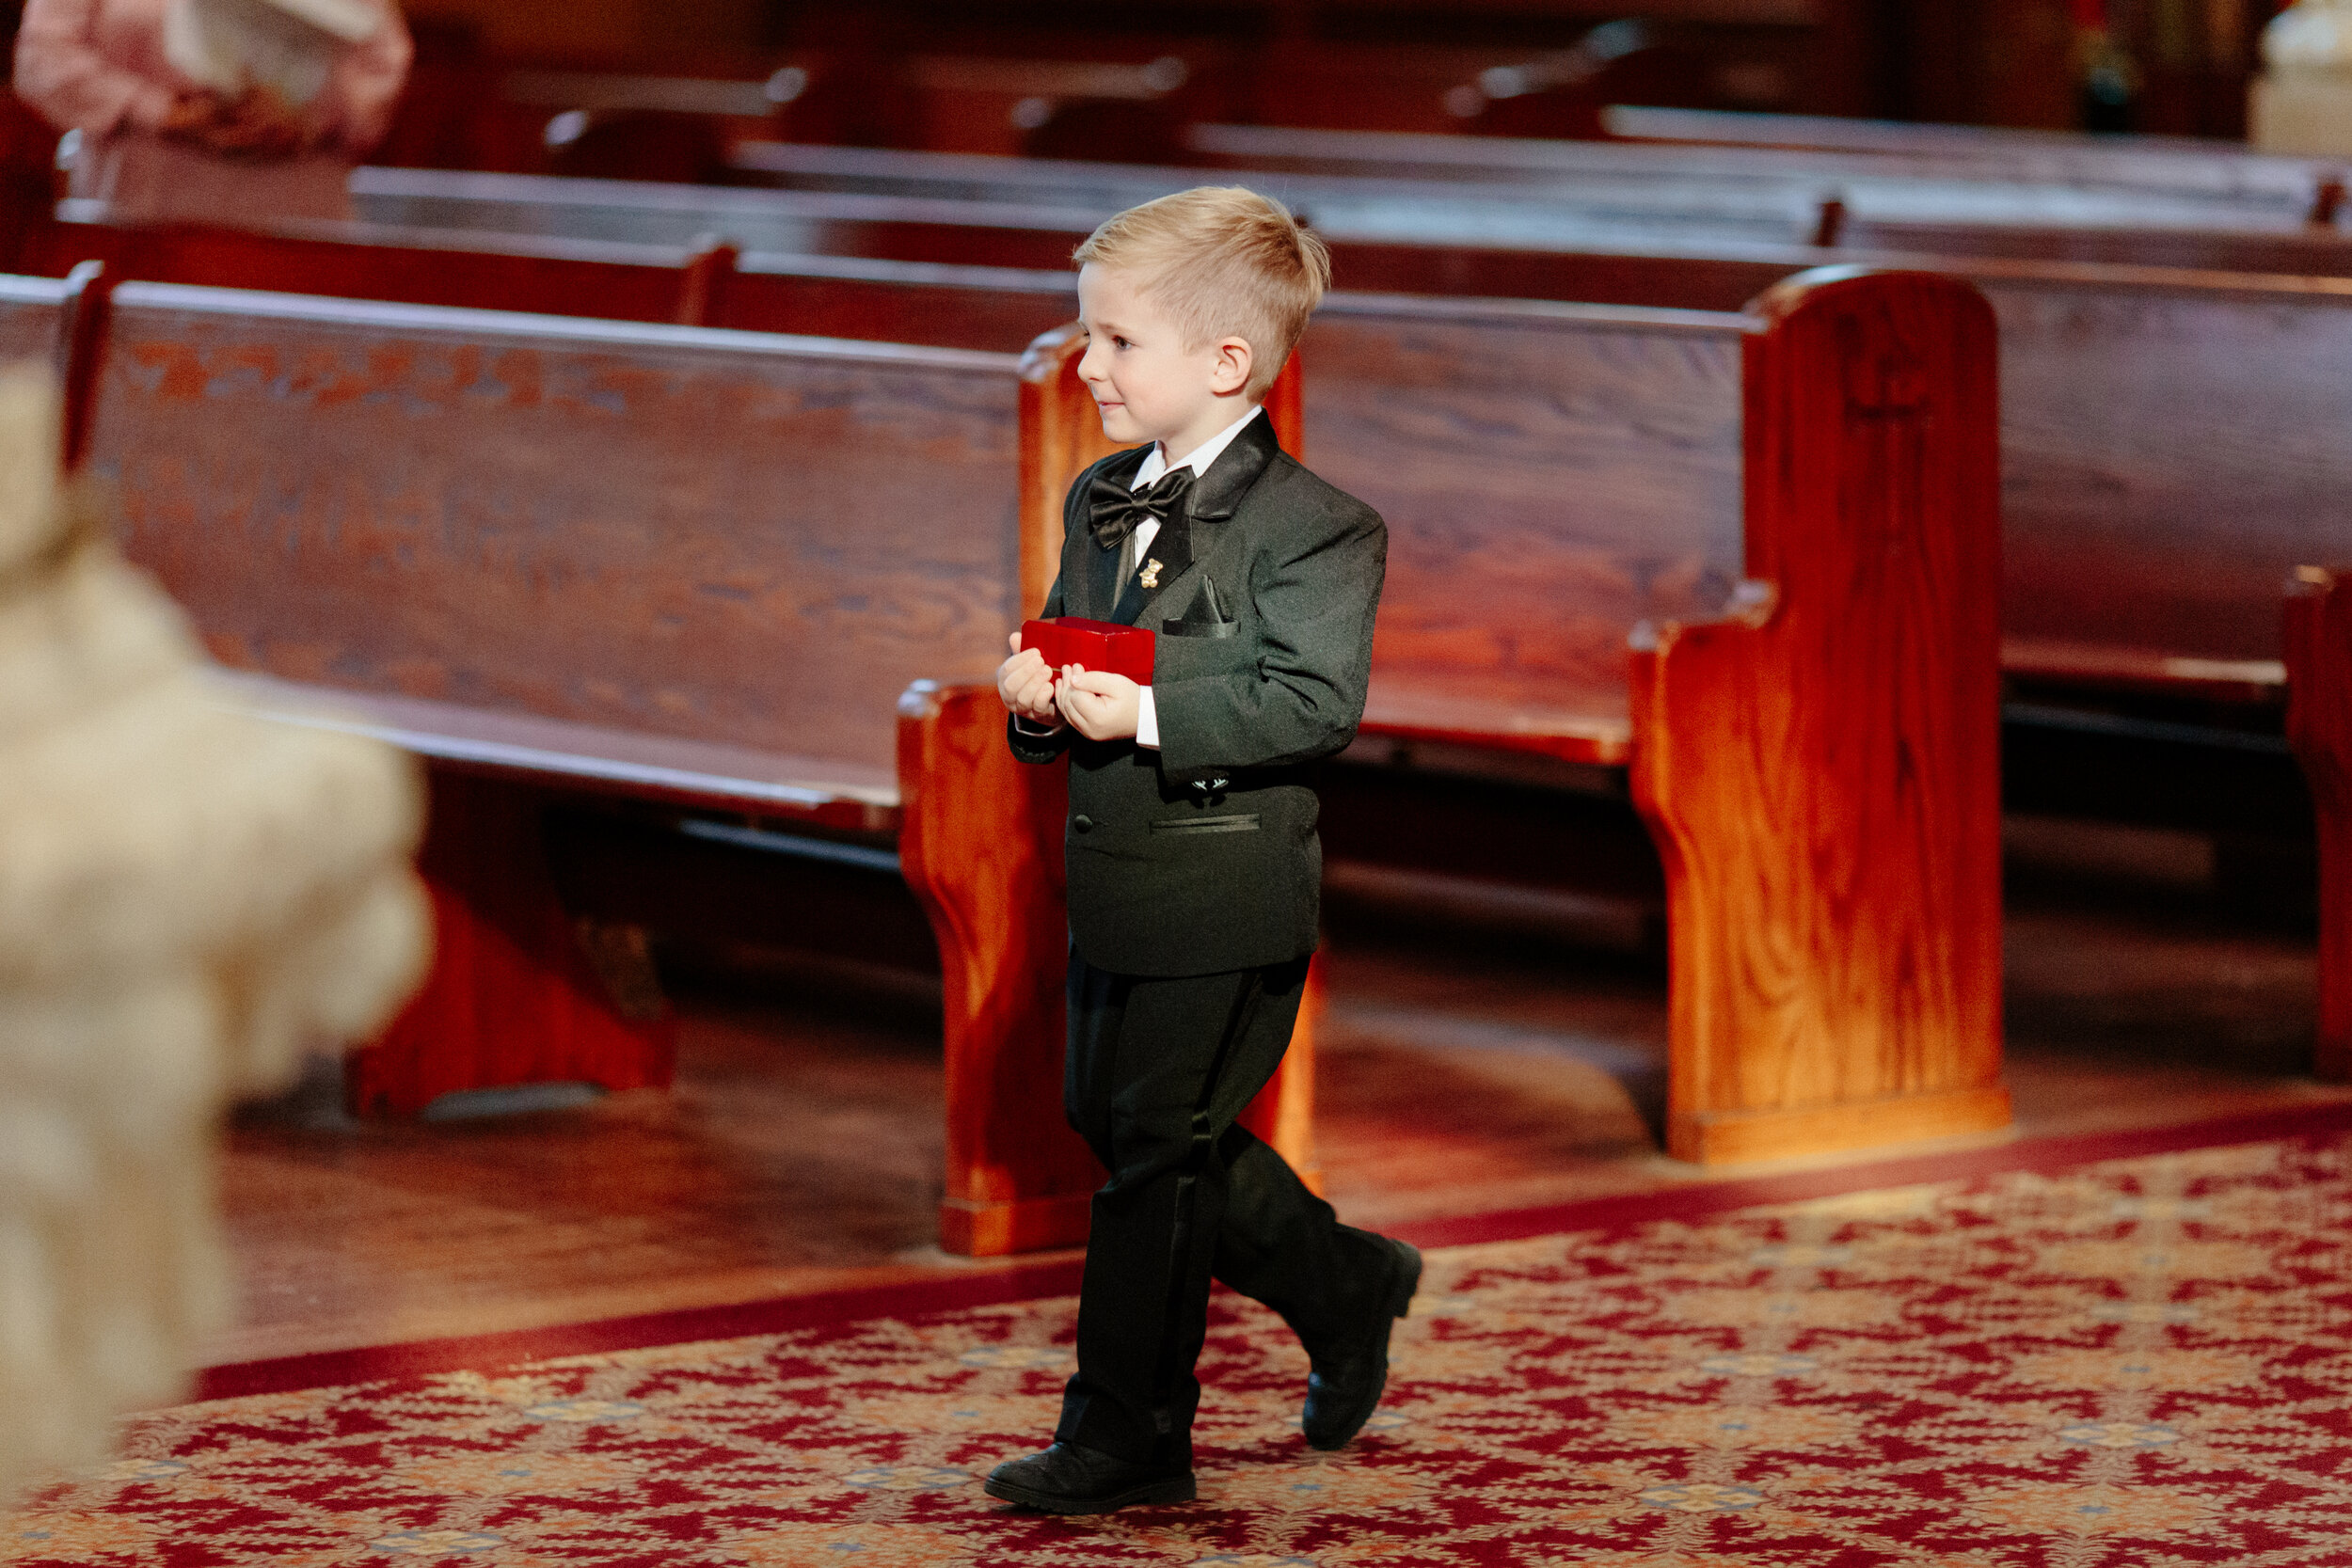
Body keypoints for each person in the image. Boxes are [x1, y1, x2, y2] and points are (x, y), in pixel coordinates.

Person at [987, 185, 1418, 1515]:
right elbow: (1072, 637)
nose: (1088, 363)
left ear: (1225, 361)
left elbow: (1314, 701)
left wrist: (1160, 708)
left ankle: (1126, 1434)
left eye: (1117, 341)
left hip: (1227, 881)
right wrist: (1039, 700)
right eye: (1088, 336)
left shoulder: (1319, 526)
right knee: (1109, 1117)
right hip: (1119, 869)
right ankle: (1346, 1279)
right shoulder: (1102, 493)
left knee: (1154, 1155)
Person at [14, 0, 410, 224]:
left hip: (294, 215)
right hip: (140, 214)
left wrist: (309, 113)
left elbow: (382, 64)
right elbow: (42, 60)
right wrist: (161, 110)